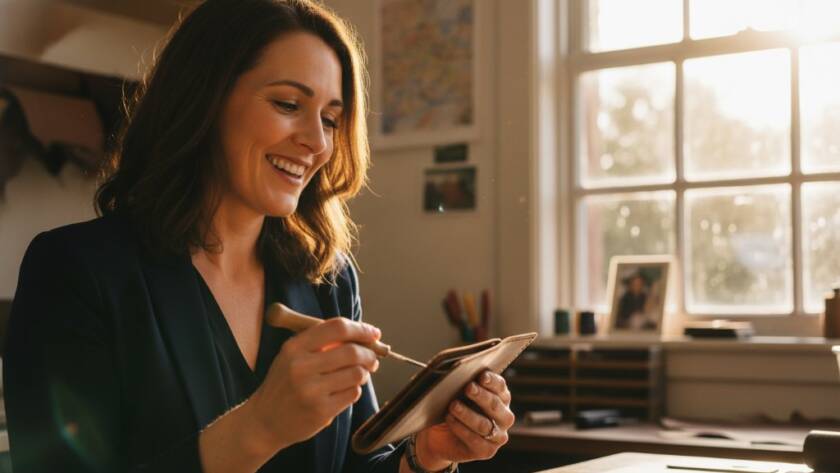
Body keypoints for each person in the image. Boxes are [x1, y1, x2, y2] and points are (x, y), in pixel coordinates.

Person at [2, 1, 515, 472]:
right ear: (204, 100)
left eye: (331, 119)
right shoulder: (75, 270)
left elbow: (355, 465)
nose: (317, 142)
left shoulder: (328, 279)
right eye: (288, 104)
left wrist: (425, 456)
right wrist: (258, 430)